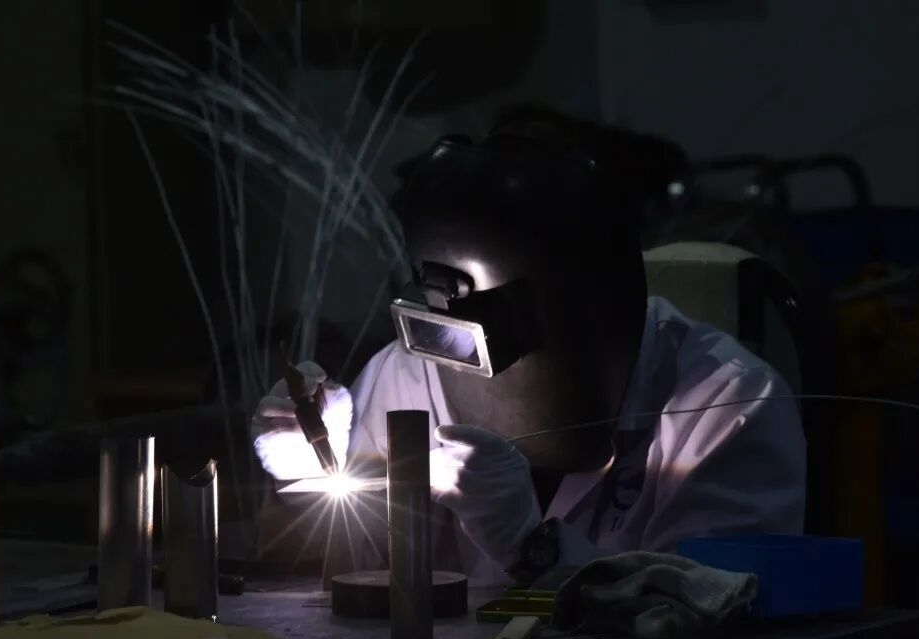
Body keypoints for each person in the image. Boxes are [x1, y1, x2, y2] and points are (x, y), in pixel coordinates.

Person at [251, 108, 805, 584]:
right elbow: (340, 566)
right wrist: (301, 477)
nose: (462, 358)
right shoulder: (408, 375)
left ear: (590, 293)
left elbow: (713, 619)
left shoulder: (731, 408)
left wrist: (532, 548)